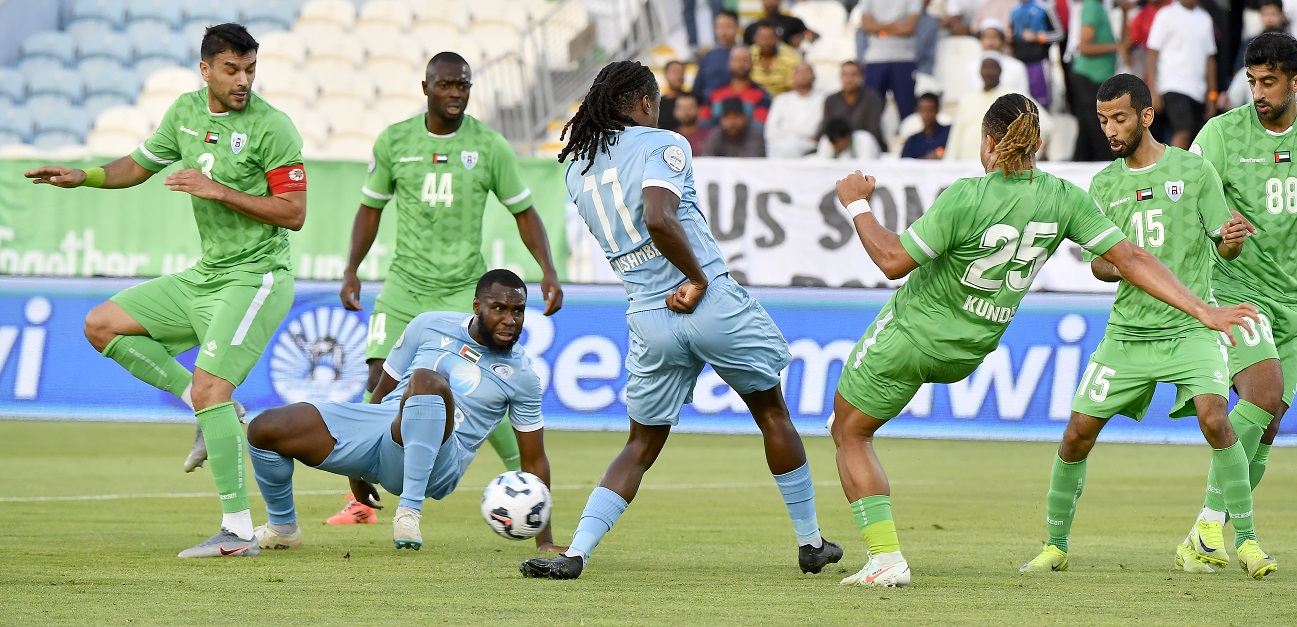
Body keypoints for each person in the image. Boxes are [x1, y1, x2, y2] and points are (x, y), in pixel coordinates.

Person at [828, 92, 1256, 587]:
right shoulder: (1063, 197)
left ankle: (884, 559)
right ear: (1039, 143)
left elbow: (892, 260)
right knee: (853, 427)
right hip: (969, 350)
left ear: (989, 141)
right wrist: (1204, 309)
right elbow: (1132, 259)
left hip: (911, 333)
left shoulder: (967, 196)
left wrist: (857, 202)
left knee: (849, 433)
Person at [520, 60, 842, 580]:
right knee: (771, 413)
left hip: (648, 315)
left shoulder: (577, 166)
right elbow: (658, 216)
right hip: (705, 299)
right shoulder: (662, 142)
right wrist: (696, 277)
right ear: (645, 103)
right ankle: (810, 542)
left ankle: (575, 553)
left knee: (639, 445)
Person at [24, 23, 307, 557]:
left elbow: (293, 213)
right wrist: (83, 176)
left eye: (250, 69)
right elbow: (137, 166)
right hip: (207, 274)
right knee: (101, 325)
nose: (243, 80)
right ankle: (206, 410)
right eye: (231, 70)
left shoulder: (273, 126)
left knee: (212, 389)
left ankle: (238, 532)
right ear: (205, 70)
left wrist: (215, 190)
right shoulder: (184, 112)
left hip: (257, 276)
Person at [1020, 74, 1275, 578]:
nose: (1110, 130)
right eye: (1103, 121)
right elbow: (1098, 264)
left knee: (1215, 419)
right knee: (1076, 435)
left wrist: (1232, 240)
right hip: (1128, 334)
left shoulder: (1193, 171)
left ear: (1146, 115)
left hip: (1190, 329)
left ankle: (1246, 541)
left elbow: (1224, 245)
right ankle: (1055, 546)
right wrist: (1124, 265)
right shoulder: (1103, 185)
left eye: (1119, 118)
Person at [334, 51, 564, 525]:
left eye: (463, 85)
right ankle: (361, 493)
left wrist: (547, 269)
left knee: (482, 389)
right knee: (378, 378)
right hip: (405, 286)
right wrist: (351, 268)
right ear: (426, 88)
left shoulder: (490, 146)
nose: (456, 93)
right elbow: (370, 209)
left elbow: (523, 212)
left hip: (463, 291)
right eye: (446, 85)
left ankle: (526, 492)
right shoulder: (395, 140)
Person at [248, 270, 565, 553]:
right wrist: (356, 472)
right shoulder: (428, 325)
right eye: (499, 309)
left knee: (426, 380)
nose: (510, 320)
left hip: (440, 465)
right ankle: (282, 528)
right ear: (476, 306)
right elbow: (381, 395)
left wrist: (545, 540)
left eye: (518, 311)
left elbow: (534, 459)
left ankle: (409, 513)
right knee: (265, 428)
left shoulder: (523, 376)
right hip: (387, 435)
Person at [1174, 30, 1297, 574]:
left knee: (1267, 424)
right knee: (1263, 395)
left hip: (1293, 301)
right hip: (1238, 292)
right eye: (1253, 82)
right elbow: (1186, 203)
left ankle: (1203, 537)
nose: (1259, 93)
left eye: (1270, 82)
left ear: (1295, 82)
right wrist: (1219, 235)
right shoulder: (1222, 135)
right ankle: (1209, 526)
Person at [1146, 0, 1218, 149]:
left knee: (1193, 139)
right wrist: (1152, 89)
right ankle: (1173, 165)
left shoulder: (1205, 18)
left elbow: (1210, 59)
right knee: (1183, 130)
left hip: (1198, 91)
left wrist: (1212, 96)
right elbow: (1153, 51)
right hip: (1172, 86)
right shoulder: (1166, 15)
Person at [1068, 0, 1129, 161]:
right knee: (1098, 131)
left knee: (1088, 132)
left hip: (1100, 77)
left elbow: (1124, 43)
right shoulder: (1091, 6)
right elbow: (1085, 47)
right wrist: (1116, 47)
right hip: (1089, 76)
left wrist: (1125, 12)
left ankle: (1080, 163)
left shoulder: (1101, 7)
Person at [858, 0, 923, 118]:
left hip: (904, 59)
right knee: (872, 113)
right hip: (875, 59)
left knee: (907, 112)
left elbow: (909, 28)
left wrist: (879, 29)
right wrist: (894, 26)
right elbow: (866, 26)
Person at [1008, 0, 1065, 109]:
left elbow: (1059, 34)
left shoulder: (1044, 8)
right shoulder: (1014, 10)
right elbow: (1012, 33)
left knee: (1042, 104)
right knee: (1022, 104)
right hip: (1020, 64)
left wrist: (1038, 37)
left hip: (1039, 62)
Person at [700, 47, 772, 130]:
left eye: (745, 60)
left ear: (752, 64)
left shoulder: (761, 95)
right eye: (736, 60)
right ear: (729, 63)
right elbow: (704, 122)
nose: (741, 65)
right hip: (716, 137)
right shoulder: (714, 92)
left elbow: (760, 126)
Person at [821, 61, 886, 153]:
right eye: (845, 75)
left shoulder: (872, 98)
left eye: (853, 75)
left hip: (865, 146)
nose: (849, 79)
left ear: (861, 77)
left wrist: (849, 139)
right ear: (840, 77)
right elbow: (826, 127)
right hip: (837, 146)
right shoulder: (831, 100)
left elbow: (874, 130)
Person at [764, 62, 824, 158]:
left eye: (806, 71)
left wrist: (786, 130)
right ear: (793, 77)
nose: (803, 75)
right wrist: (798, 134)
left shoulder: (822, 100)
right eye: (799, 72)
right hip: (777, 145)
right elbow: (769, 133)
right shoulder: (781, 100)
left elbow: (812, 131)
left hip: (807, 147)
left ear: (814, 77)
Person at [968, 19, 1031, 97]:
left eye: (994, 37)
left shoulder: (1017, 66)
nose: (990, 42)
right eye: (986, 37)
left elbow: (1023, 97)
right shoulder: (971, 67)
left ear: (1002, 40)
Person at [693, 10, 740, 104]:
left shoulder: (745, 54)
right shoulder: (708, 57)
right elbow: (697, 88)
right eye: (719, 27)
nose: (723, 31)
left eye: (728, 26)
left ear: (737, 27)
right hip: (710, 104)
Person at [749, 20, 802, 97]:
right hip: (753, 100)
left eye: (770, 37)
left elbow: (794, 89)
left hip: (782, 100)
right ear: (755, 38)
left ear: (777, 38)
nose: (766, 42)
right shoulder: (748, 55)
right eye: (762, 38)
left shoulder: (791, 57)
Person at [742, 0, 813, 47]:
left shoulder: (794, 22)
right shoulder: (751, 28)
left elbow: (812, 35)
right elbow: (745, 49)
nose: (770, 2)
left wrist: (801, 38)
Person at [900, 92, 949, 159]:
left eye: (930, 110)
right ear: (918, 111)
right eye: (923, 110)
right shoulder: (912, 141)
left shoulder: (949, 133)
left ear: (937, 110)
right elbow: (904, 162)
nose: (926, 114)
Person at [816, 117, 881, 160]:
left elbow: (866, 167)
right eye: (832, 142)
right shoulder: (826, 141)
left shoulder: (865, 140)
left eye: (837, 142)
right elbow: (823, 166)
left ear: (847, 136)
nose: (835, 146)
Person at [658, 60, 691, 132]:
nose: (679, 76)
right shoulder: (658, 105)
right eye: (675, 72)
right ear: (665, 74)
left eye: (681, 72)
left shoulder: (692, 99)